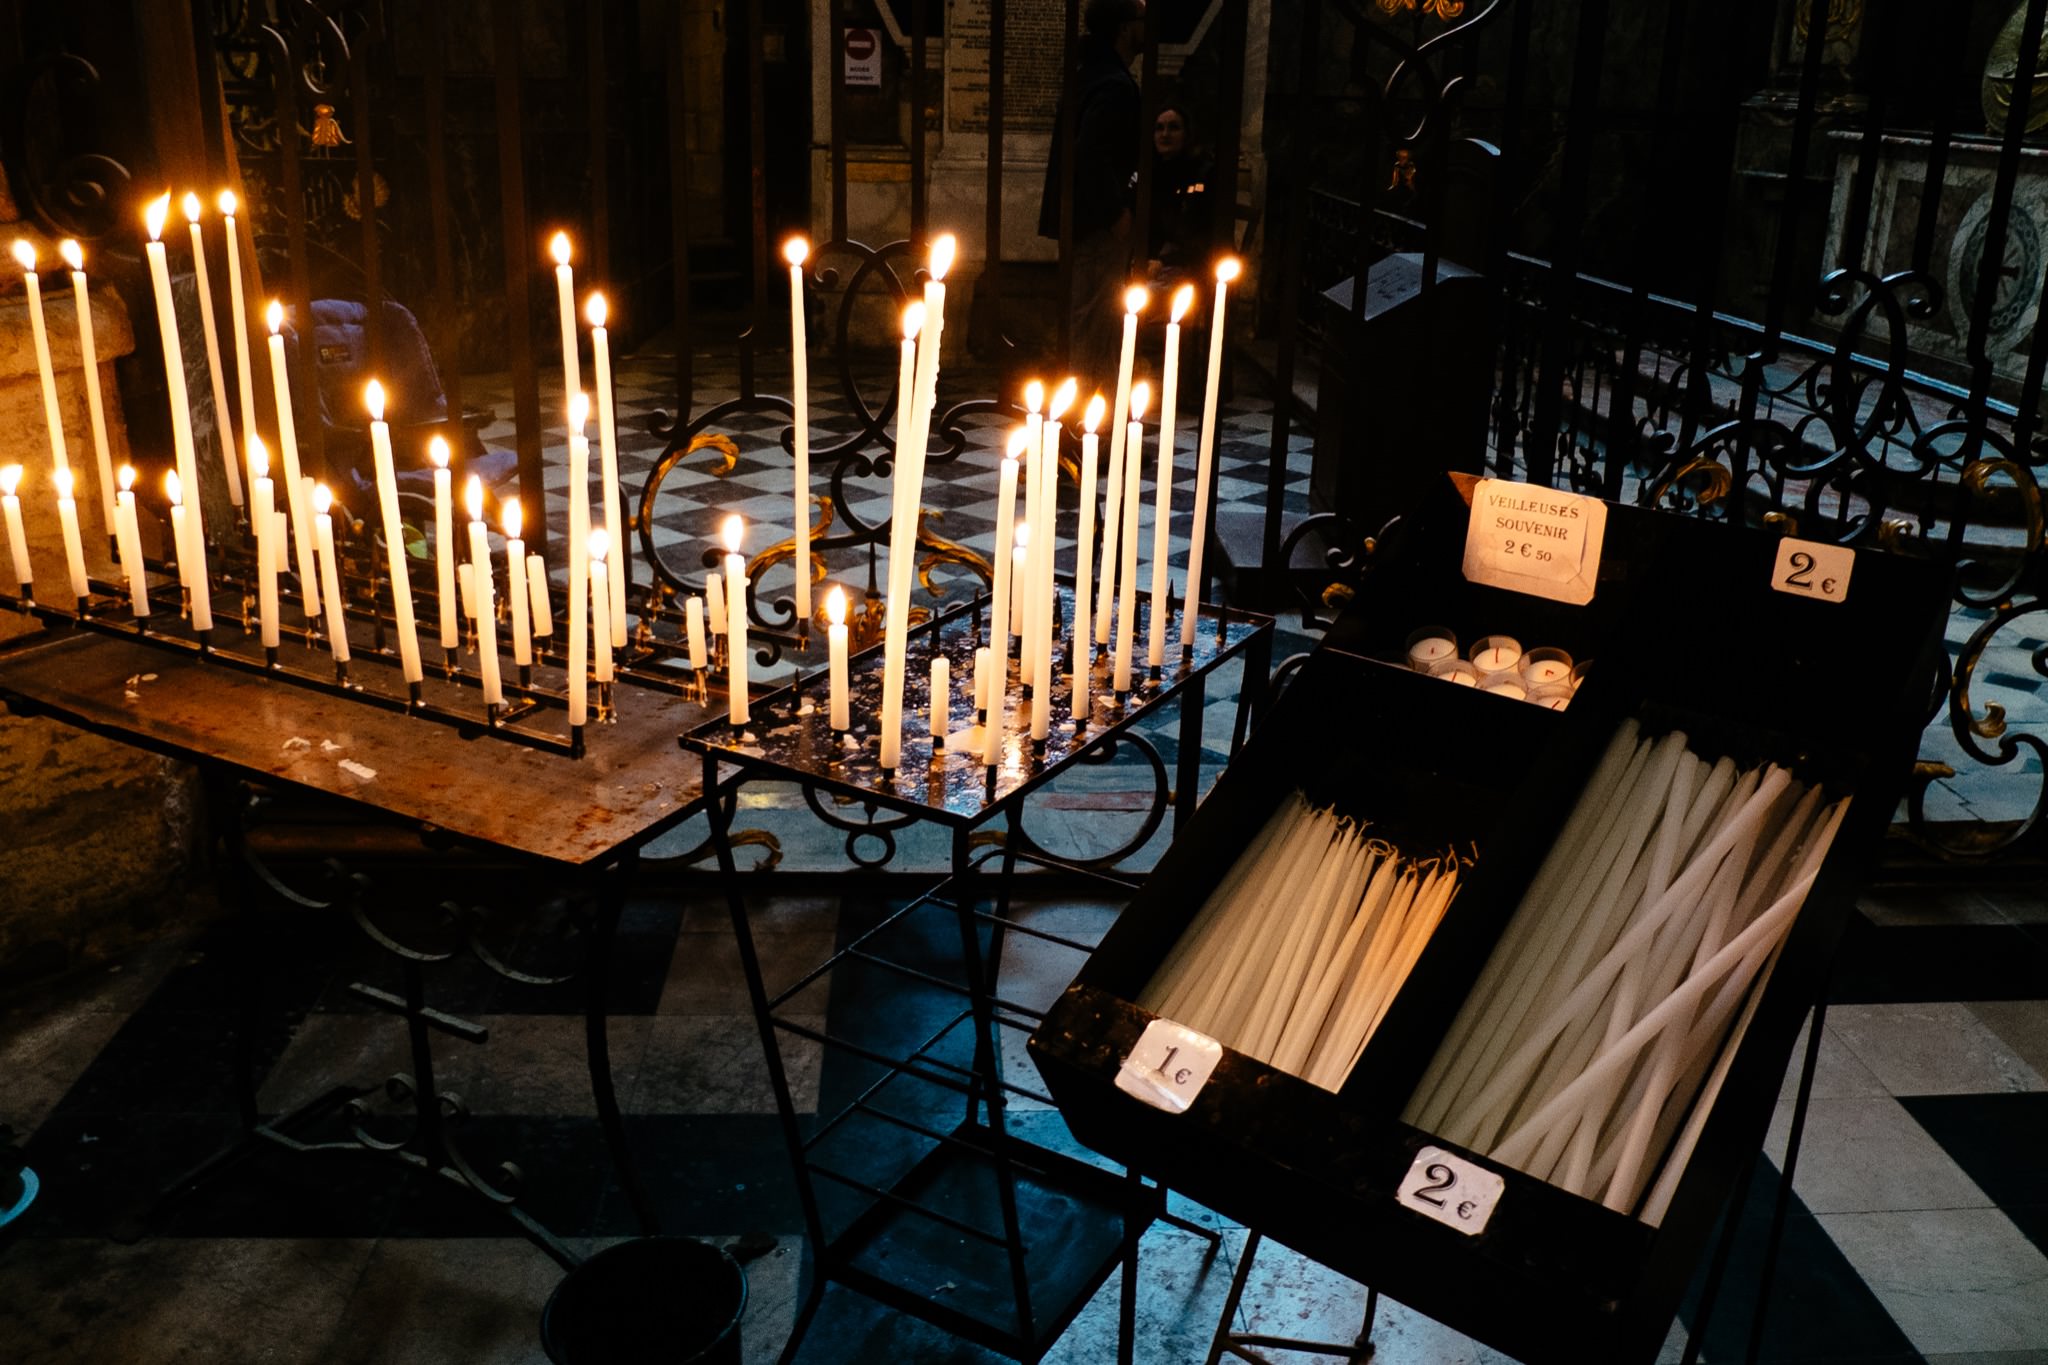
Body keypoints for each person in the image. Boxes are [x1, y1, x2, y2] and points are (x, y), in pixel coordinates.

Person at [1040, 0, 1147, 393]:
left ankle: (1090, 428)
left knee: (1091, 323)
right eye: (1142, 20)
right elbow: (1088, 153)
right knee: (1096, 328)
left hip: (1085, 221)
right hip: (1099, 226)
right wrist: (1116, 211)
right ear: (1123, 28)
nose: (1148, 27)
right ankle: (1089, 432)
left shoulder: (1091, 74)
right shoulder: (1114, 84)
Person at [1146, 102, 1215, 297]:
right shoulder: (1150, 172)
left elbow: (1200, 232)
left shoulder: (1200, 173)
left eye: (1173, 128)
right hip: (1153, 260)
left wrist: (1165, 260)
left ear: (1186, 134)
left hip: (1187, 263)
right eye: (1159, 128)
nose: (1165, 134)